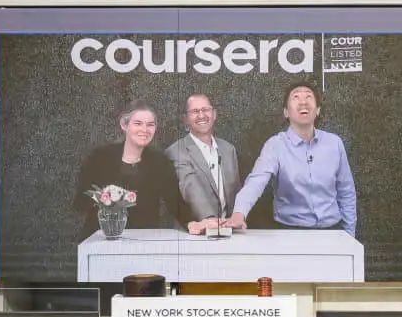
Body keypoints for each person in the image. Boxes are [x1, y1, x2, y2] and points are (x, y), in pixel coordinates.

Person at [225, 82, 357, 236]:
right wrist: (239, 213)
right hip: (290, 232)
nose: (303, 102)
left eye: (308, 96)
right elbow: (256, 181)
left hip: (332, 231)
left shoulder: (334, 143)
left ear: (318, 110)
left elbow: (346, 191)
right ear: (286, 112)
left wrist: (349, 235)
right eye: (296, 97)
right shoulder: (276, 145)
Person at [73, 99, 182, 237]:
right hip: (102, 238)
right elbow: (80, 202)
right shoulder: (99, 157)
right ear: (124, 125)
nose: (144, 130)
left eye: (150, 125)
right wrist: (103, 197)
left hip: (144, 238)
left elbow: (176, 203)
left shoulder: (161, 162)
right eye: (138, 123)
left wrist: (194, 223)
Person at [165, 94, 241, 235]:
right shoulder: (177, 151)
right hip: (196, 232)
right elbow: (190, 186)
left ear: (214, 114)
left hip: (229, 231)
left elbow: (236, 190)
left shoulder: (228, 149)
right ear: (185, 119)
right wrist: (210, 219)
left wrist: (238, 216)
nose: (201, 115)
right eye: (195, 111)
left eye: (205, 110)